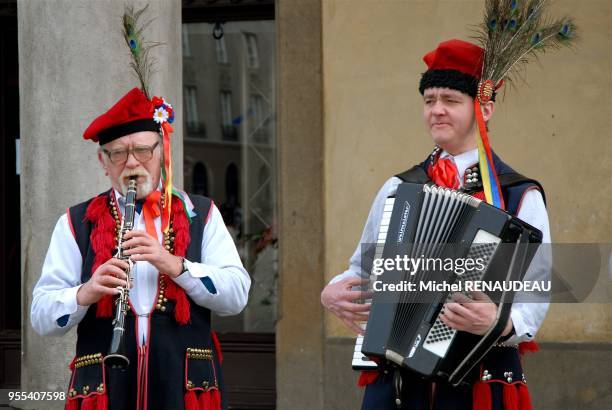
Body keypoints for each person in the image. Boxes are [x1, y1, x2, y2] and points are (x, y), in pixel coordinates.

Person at [321, 38, 554, 409]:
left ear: (485, 108)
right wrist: (332, 292)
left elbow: (534, 294)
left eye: (451, 100)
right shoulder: (399, 188)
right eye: (429, 100)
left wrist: (500, 322)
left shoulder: (519, 196)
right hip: (399, 385)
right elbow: (361, 269)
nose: (437, 111)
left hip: (477, 380)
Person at [31, 84, 250, 409]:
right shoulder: (75, 222)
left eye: (144, 151)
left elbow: (236, 297)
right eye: (118, 153)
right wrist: (87, 292)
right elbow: (41, 317)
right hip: (106, 386)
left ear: (161, 153)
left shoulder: (201, 213)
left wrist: (175, 265)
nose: (132, 163)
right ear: (103, 161)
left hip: (184, 384)